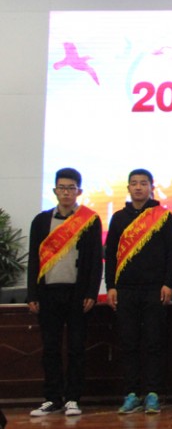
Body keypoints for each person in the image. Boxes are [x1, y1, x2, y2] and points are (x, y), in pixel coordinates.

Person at [26, 168, 103, 417]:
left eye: (71, 188)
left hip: (77, 294)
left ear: (79, 191)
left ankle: (73, 398)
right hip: (48, 293)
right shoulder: (41, 221)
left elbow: (95, 260)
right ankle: (52, 398)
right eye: (62, 188)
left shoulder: (89, 220)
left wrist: (91, 292)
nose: (66, 192)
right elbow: (34, 259)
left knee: (76, 347)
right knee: (50, 347)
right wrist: (32, 294)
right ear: (54, 191)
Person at [104, 168, 172, 414]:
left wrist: (168, 283)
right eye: (134, 183)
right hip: (125, 289)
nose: (138, 187)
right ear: (128, 188)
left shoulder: (164, 217)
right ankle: (132, 393)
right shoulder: (118, 218)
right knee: (129, 342)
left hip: (155, 289)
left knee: (154, 342)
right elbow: (111, 254)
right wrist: (111, 285)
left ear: (151, 187)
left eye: (143, 183)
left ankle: (153, 393)